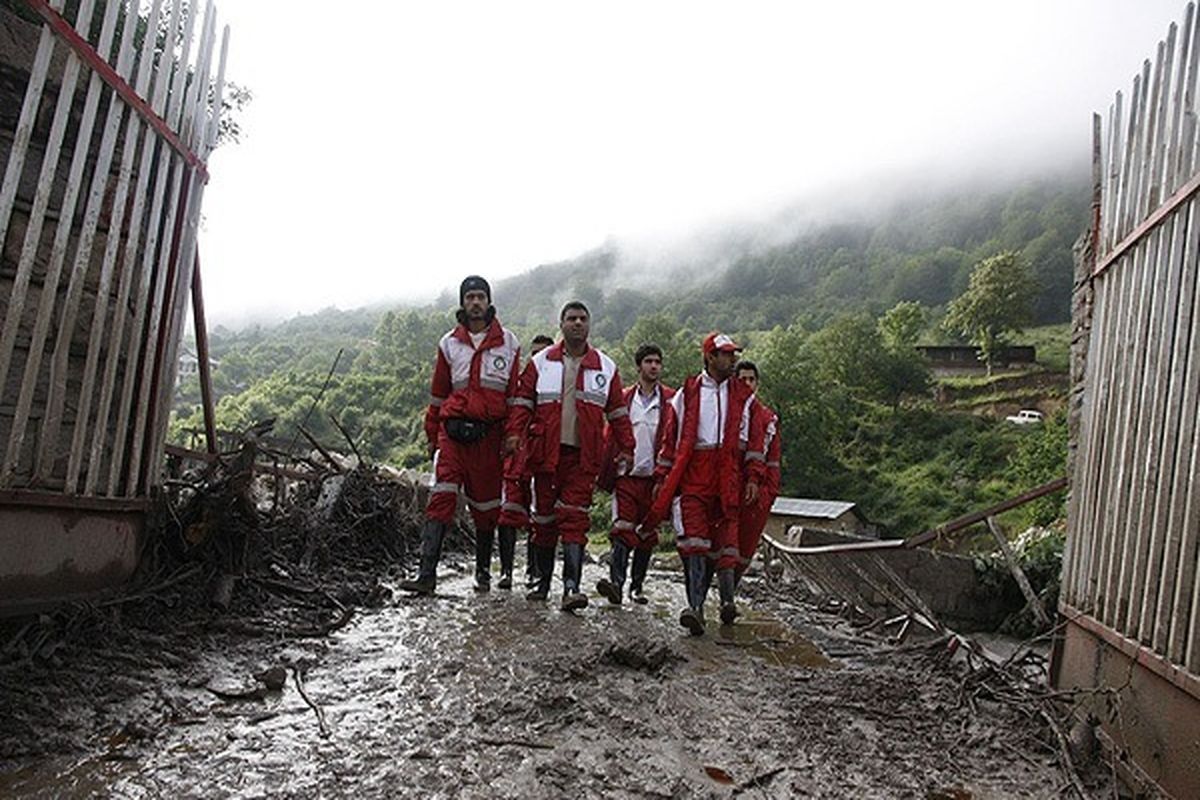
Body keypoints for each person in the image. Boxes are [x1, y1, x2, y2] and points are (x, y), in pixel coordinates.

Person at [505, 301, 634, 612]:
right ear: (561, 324)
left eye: (582, 319)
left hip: (583, 458)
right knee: (544, 518)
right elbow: (522, 404)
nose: (577, 323)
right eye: (571, 319)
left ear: (589, 325)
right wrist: (513, 435)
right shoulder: (540, 363)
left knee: (575, 517)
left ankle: (571, 587)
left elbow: (617, 413)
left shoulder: (606, 367)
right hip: (544, 454)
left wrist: (627, 447)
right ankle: (541, 582)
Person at [398, 276, 521, 596]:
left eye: (480, 297)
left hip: (490, 437)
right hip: (451, 435)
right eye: (470, 297)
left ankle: (482, 572)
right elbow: (438, 394)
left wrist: (513, 435)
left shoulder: (509, 343)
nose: (475, 302)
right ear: (463, 302)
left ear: (489, 301)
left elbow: (513, 397)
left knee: (486, 507)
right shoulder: (449, 343)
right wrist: (430, 434)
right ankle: (426, 574)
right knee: (441, 498)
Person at [647, 333, 765, 635]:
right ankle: (696, 608)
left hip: (729, 475)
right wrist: (662, 477)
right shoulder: (686, 395)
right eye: (726, 354)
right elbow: (669, 441)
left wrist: (753, 475)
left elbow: (753, 441)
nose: (733, 359)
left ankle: (728, 601)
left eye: (734, 354)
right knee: (694, 542)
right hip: (694, 475)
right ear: (710, 357)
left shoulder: (745, 396)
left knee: (727, 539)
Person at [596, 343, 675, 605]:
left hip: (655, 478)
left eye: (658, 362)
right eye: (649, 361)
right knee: (621, 529)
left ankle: (637, 587)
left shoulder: (672, 400)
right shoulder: (624, 398)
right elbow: (610, 435)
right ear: (639, 366)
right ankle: (616, 584)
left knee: (646, 534)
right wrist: (606, 470)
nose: (654, 366)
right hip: (626, 475)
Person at [496, 334, 554, 590]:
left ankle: (534, 570)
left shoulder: (557, 389)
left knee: (538, 518)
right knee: (507, 514)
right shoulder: (518, 385)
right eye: (535, 353)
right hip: (515, 458)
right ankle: (506, 571)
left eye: (544, 353)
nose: (538, 358)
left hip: (541, 458)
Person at [733, 360, 781, 594]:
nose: (748, 384)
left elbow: (773, 461)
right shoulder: (724, 412)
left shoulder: (768, 419)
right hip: (727, 486)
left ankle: (728, 595)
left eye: (752, 379)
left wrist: (768, 494)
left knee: (746, 546)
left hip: (756, 494)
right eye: (742, 379)